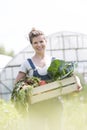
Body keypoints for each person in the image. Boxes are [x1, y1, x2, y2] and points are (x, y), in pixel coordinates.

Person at [15, 28, 82, 130]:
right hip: (36, 106)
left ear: (46, 41)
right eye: (35, 42)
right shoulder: (27, 63)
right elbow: (17, 84)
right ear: (32, 45)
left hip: (54, 104)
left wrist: (77, 82)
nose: (39, 45)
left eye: (41, 41)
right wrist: (25, 89)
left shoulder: (54, 61)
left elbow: (70, 75)